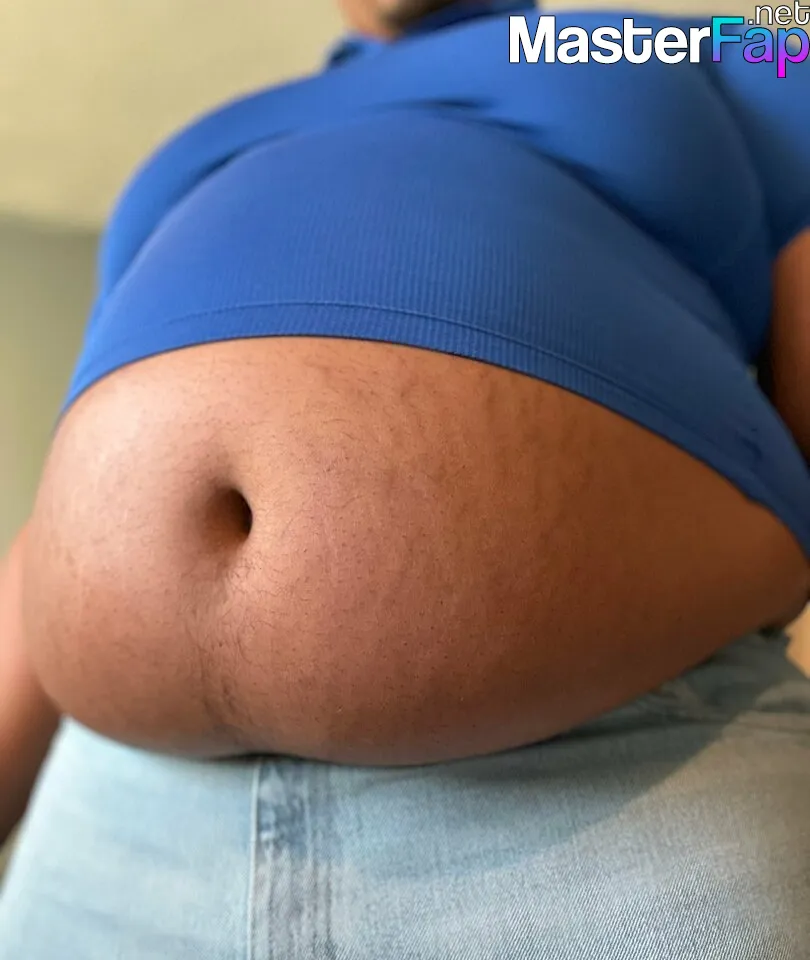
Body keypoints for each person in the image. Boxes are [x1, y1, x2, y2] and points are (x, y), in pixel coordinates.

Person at [1, 1, 809, 955]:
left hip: (623, 781)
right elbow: (55, 530)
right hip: (113, 814)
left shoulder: (704, 46)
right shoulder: (223, 128)